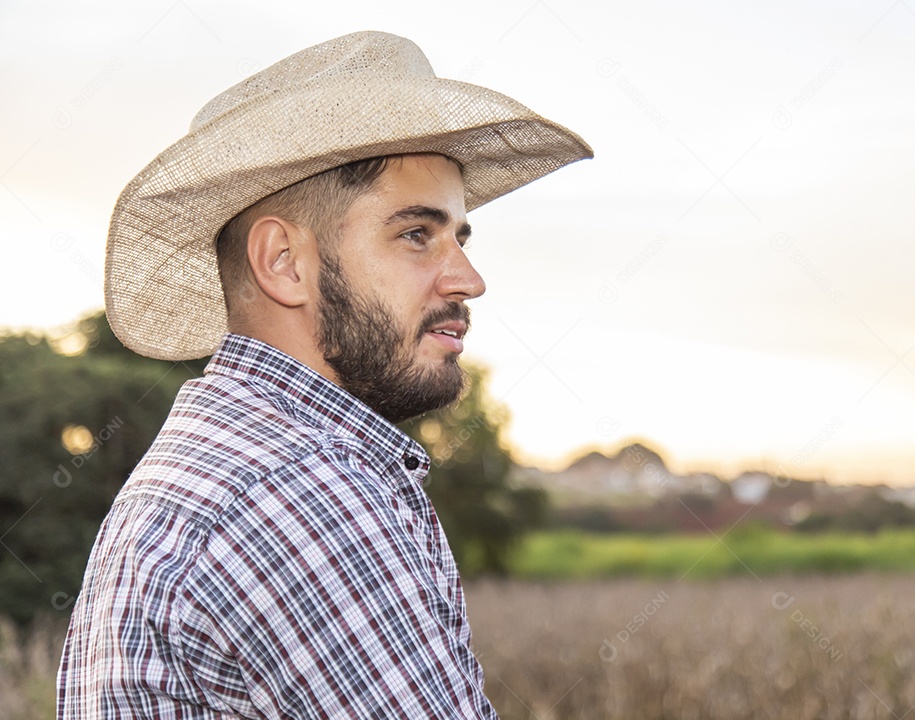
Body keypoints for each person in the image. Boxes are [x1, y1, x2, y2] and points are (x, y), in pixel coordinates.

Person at [57, 31, 590, 718]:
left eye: (459, 237)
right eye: (415, 234)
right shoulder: (300, 492)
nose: (468, 278)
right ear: (282, 261)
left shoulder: (211, 459)